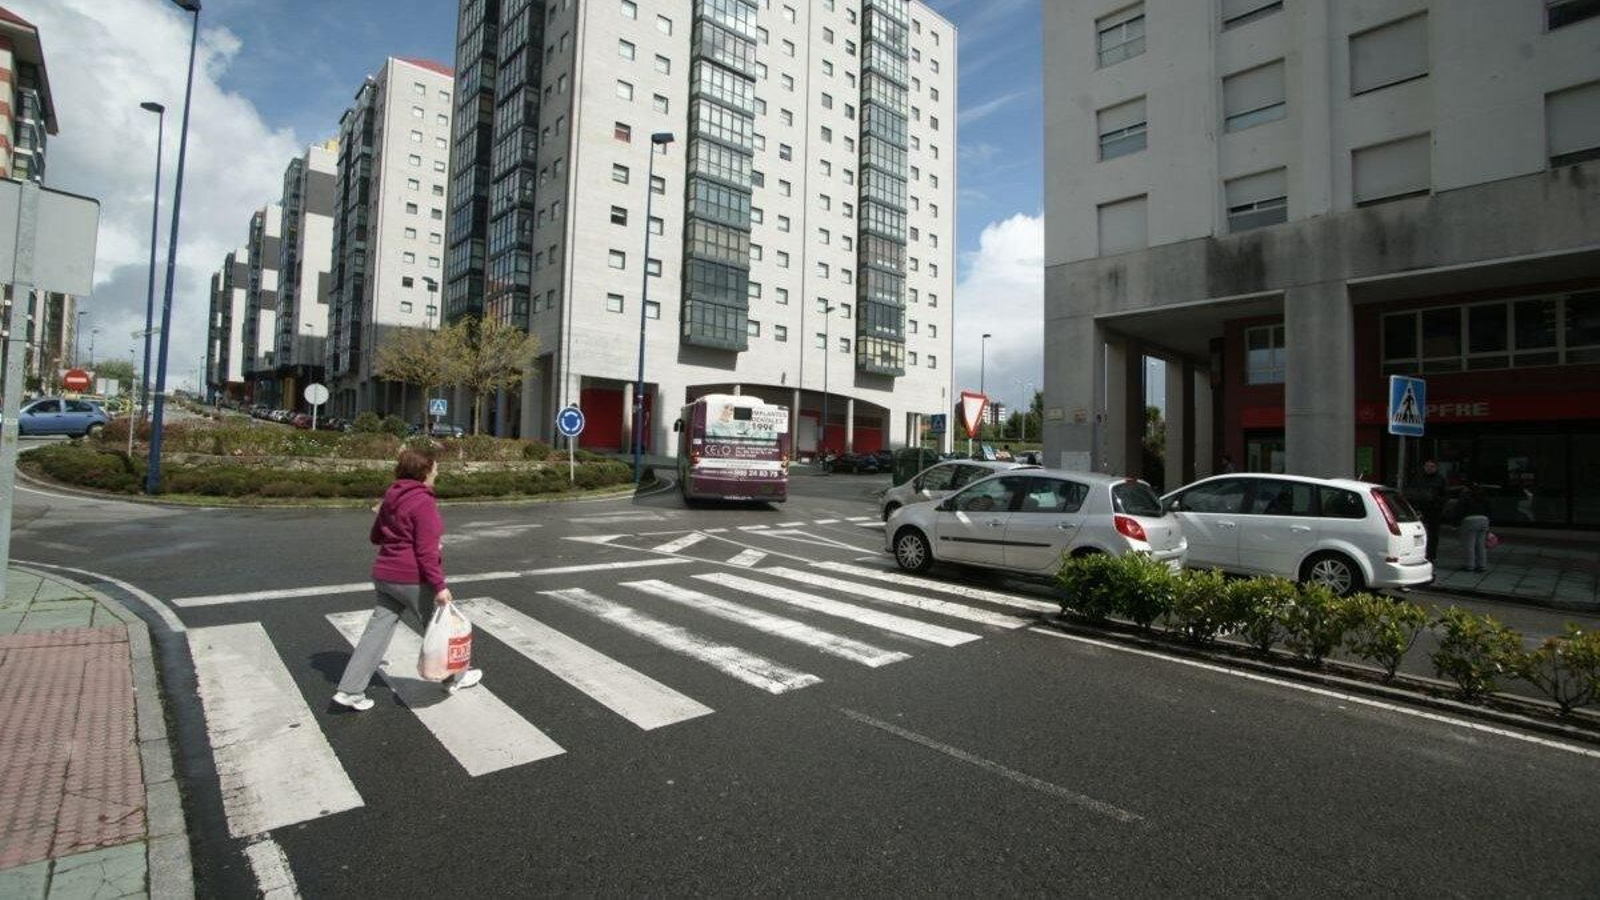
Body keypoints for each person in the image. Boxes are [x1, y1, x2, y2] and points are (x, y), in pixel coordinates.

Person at [333, 446, 481, 711]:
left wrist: (395, 531)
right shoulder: (423, 501)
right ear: (424, 471)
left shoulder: (391, 496)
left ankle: (349, 690)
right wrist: (439, 586)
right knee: (439, 628)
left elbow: (376, 537)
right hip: (412, 579)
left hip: (385, 576)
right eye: (435, 467)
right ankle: (456, 677)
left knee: (375, 634)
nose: (437, 471)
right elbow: (426, 551)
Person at [1404, 459, 1449, 562]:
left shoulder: (1440, 479)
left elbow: (1445, 495)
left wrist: (1438, 504)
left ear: (1436, 468)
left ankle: (1431, 555)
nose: (1429, 468)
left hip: (1434, 510)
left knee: (1433, 534)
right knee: (1418, 532)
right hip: (1420, 509)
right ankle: (1420, 552)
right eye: (1427, 466)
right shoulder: (1418, 478)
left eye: (1432, 466)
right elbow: (1412, 492)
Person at [1458, 482, 1491, 573]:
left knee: (1469, 544)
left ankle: (1469, 565)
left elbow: (1460, 509)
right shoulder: (1484, 497)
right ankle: (1482, 565)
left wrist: (1455, 523)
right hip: (1484, 520)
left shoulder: (1466, 497)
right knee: (1481, 545)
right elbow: (1489, 510)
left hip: (1470, 520)